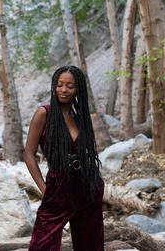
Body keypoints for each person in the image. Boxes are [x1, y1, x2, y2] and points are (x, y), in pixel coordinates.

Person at [24, 65, 104, 251]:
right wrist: (44, 190)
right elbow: (28, 154)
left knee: (91, 246)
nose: (63, 90)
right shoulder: (44, 113)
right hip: (58, 186)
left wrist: (97, 183)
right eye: (59, 85)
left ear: (78, 90)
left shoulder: (80, 118)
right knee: (41, 245)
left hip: (87, 187)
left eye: (70, 86)